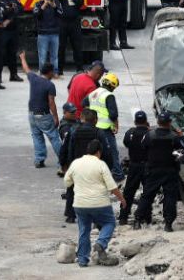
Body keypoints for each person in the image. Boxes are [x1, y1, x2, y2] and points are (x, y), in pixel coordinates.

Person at [64, 139, 126, 267]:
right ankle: (101, 243)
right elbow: (112, 187)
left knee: (84, 230)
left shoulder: (76, 163)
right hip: (100, 203)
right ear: (99, 152)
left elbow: (67, 182)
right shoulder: (101, 164)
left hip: (80, 204)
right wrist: (122, 199)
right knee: (109, 223)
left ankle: (82, 259)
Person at [133, 111, 184, 232]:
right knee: (170, 197)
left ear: (158, 122)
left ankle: (137, 220)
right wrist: (181, 137)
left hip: (153, 170)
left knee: (147, 195)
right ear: (170, 123)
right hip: (170, 170)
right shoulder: (174, 137)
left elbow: (143, 147)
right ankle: (168, 224)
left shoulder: (149, 135)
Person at [61, 109, 110, 223]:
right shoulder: (99, 133)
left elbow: (64, 148)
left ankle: (71, 215)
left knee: (72, 189)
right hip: (94, 167)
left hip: (76, 165)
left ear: (82, 118)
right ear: (96, 120)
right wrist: (108, 167)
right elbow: (107, 152)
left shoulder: (73, 130)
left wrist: (64, 164)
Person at [19, 51, 61, 168]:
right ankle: (63, 160)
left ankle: (39, 160)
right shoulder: (49, 85)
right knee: (54, 137)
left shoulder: (34, 78)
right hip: (44, 115)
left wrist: (22, 58)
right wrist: (56, 117)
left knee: (37, 137)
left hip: (32, 115)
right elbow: (51, 102)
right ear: (50, 72)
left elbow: (26, 69)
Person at [83, 73, 124, 181]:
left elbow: (84, 103)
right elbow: (113, 114)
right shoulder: (108, 96)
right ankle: (118, 173)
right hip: (105, 128)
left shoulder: (94, 93)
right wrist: (115, 124)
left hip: (94, 126)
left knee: (96, 151)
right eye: (114, 87)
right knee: (112, 151)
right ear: (111, 85)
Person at [118, 110, 150, 225]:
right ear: (146, 121)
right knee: (147, 192)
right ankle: (145, 216)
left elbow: (126, 143)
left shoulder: (130, 133)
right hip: (147, 166)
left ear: (135, 121)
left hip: (134, 165)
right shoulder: (150, 133)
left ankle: (123, 216)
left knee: (128, 192)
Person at [54, 0, 86, 75]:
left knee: (77, 46)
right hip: (62, 23)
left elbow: (80, 2)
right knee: (61, 47)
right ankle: (60, 69)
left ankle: (79, 68)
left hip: (74, 23)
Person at [0, 0, 24, 83]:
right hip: (1, 31)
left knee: (12, 54)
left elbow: (21, 9)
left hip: (13, 31)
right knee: (0, 54)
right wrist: (9, 11)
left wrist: (12, 11)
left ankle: (13, 75)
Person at [33, 0, 62, 74]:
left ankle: (55, 72)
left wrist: (54, 6)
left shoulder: (56, 3)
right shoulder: (38, 4)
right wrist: (44, 5)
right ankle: (43, 72)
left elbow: (61, 14)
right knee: (42, 56)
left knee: (54, 56)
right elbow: (36, 14)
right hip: (43, 34)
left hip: (54, 33)